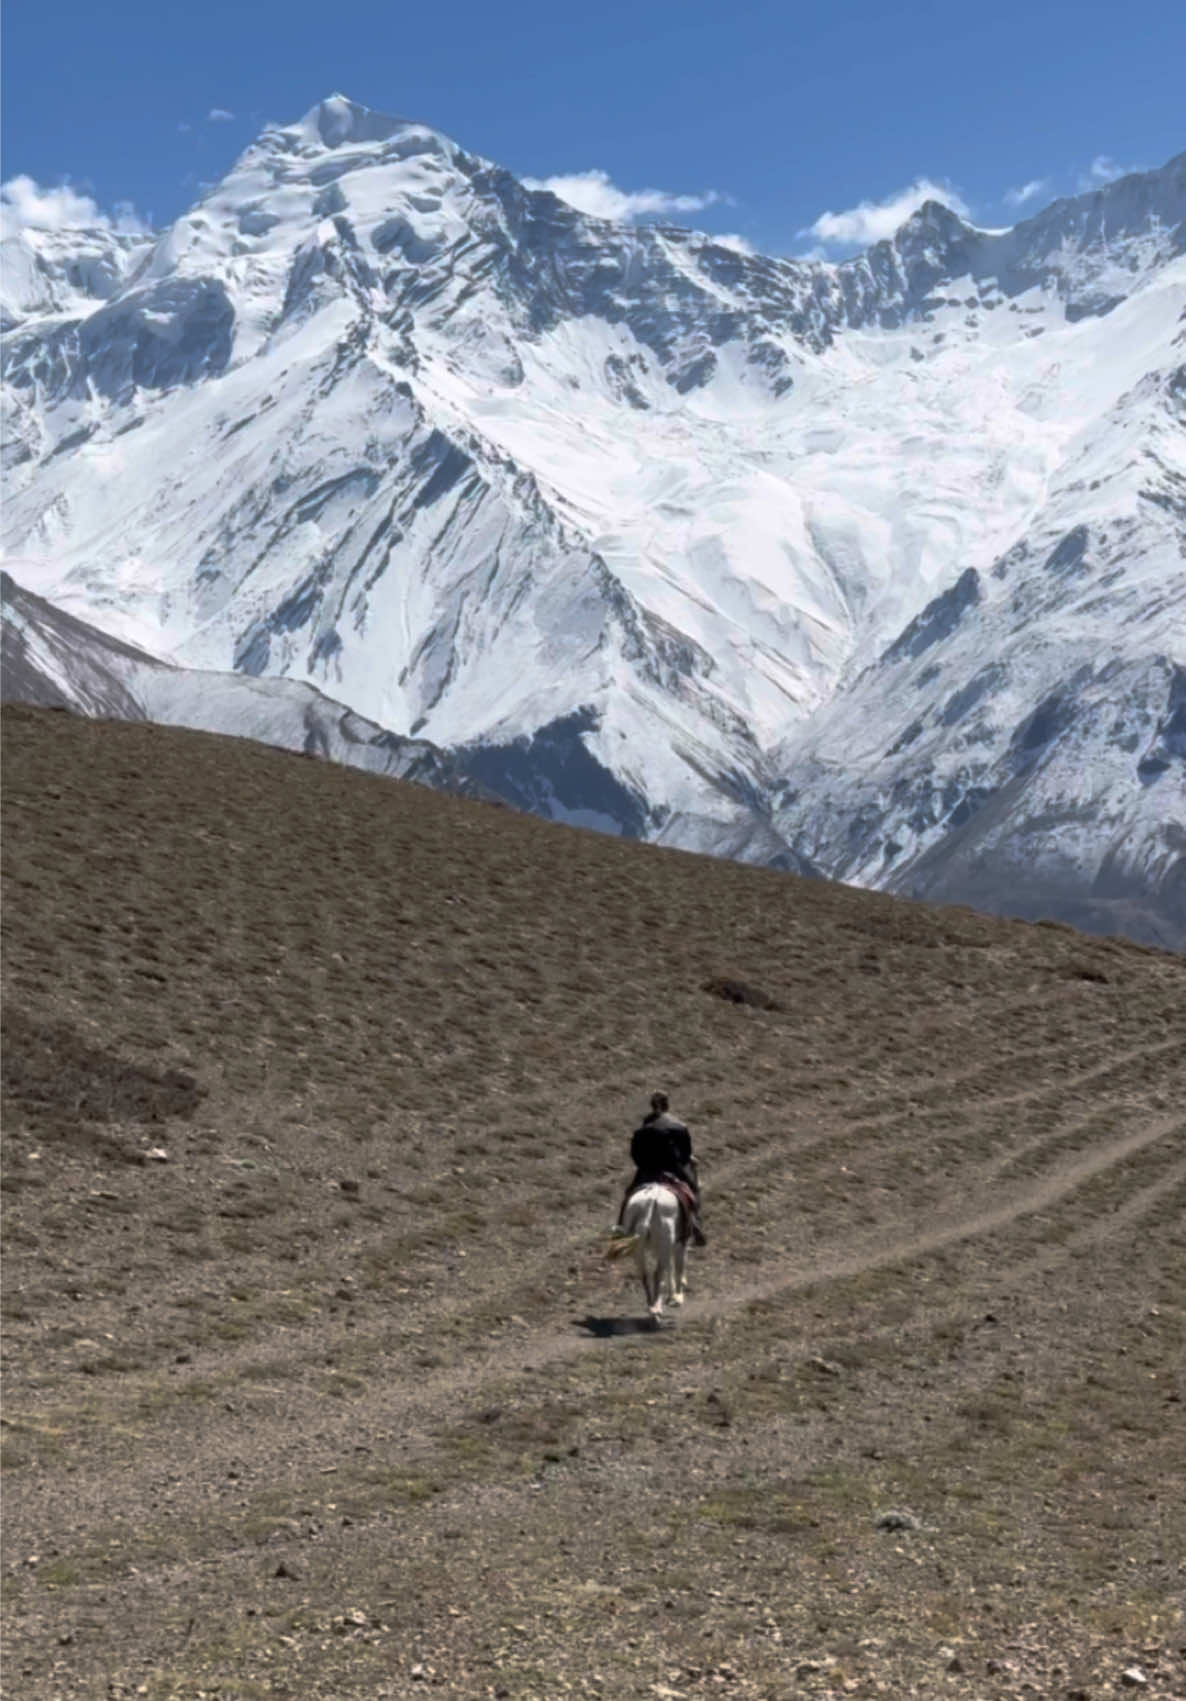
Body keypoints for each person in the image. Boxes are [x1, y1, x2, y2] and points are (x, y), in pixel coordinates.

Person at [620, 1091, 707, 1246]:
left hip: (647, 1170)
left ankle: (620, 1231)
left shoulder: (643, 1128)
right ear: (668, 1105)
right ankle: (696, 1227)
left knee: (628, 1196)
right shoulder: (679, 1126)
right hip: (674, 1169)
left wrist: (644, 1165)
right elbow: (686, 1153)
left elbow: (635, 1153)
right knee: (692, 1191)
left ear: (651, 1106)